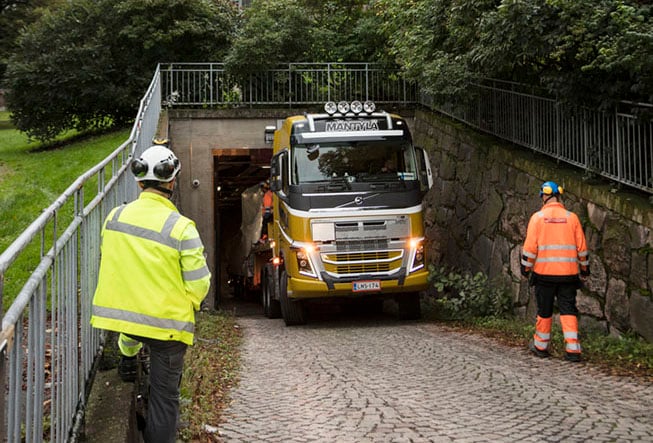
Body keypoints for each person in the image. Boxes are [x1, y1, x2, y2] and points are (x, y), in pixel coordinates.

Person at [91, 145, 211, 442]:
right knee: (164, 399)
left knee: (134, 326)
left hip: (124, 316)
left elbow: (114, 262)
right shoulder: (182, 228)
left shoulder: (114, 218)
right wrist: (188, 302)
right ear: (172, 181)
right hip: (168, 327)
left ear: (138, 180)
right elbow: (199, 283)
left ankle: (128, 357)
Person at [521, 181, 590, 362]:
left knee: (544, 310)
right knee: (568, 309)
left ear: (545, 196)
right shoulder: (572, 218)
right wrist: (584, 268)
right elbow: (582, 248)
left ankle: (541, 346)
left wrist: (525, 268)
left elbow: (530, 249)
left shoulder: (537, 218)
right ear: (558, 196)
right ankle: (573, 348)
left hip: (544, 275)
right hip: (568, 275)